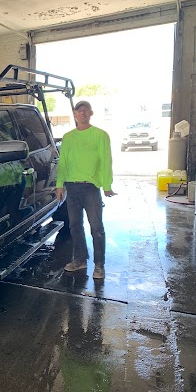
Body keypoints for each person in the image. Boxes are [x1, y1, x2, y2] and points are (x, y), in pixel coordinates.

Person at [56, 100, 116, 280]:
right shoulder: (68, 137)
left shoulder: (100, 135)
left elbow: (106, 161)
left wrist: (107, 185)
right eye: (78, 110)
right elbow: (63, 163)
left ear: (91, 113)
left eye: (85, 110)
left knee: (96, 227)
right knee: (75, 226)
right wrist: (60, 185)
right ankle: (80, 259)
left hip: (91, 188)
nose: (82, 113)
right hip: (72, 187)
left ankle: (99, 265)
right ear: (74, 114)